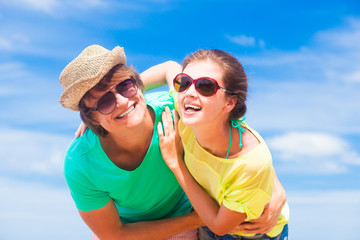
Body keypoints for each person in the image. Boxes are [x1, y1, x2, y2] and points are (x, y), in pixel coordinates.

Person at [64, 45, 286, 239]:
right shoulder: (81, 162)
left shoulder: (179, 110)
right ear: (90, 117)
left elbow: (237, 137)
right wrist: (201, 220)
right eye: (104, 102)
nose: (122, 102)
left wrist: (276, 189)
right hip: (141, 228)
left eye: (125, 87)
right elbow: (114, 234)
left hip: (183, 216)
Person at [156, 49, 289, 239]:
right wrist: (125, 93)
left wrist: (176, 163)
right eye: (184, 82)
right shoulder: (185, 110)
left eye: (206, 87)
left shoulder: (249, 161)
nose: (190, 92)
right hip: (210, 214)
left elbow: (220, 226)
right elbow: (168, 68)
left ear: (229, 103)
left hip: (256, 232)